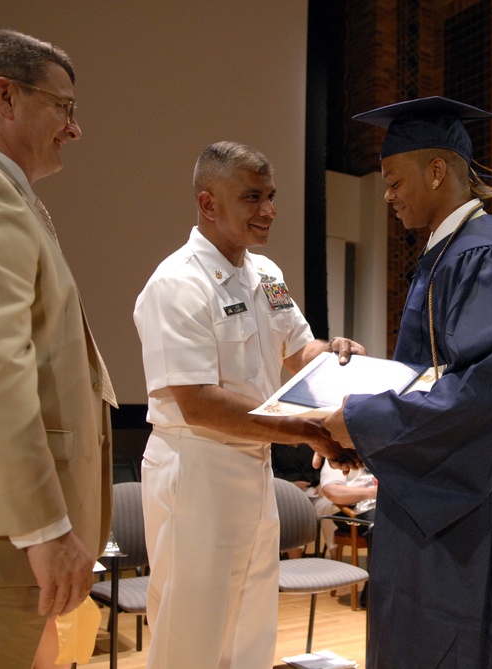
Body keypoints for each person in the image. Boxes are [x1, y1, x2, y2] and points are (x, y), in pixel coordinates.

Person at [323, 97, 492, 668]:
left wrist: (362, 418)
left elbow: (486, 389)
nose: (388, 196)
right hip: (444, 505)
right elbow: (440, 374)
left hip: (470, 520)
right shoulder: (454, 252)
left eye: (395, 180)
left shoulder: (483, 256)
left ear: (436, 171)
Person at [133, 141, 363, 669]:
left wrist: (336, 353)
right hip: (196, 468)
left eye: (272, 196)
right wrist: (306, 429)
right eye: (252, 197)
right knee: (191, 632)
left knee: (251, 625)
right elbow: (198, 404)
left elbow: (298, 350)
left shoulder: (267, 275)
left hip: (253, 467)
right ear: (208, 204)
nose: (269, 211)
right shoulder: (178, 283)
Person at [0, 30, 116, 668]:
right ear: (5, 96)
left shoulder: (3, 193)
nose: (75, 129)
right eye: (64, 107)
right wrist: (42, 528)